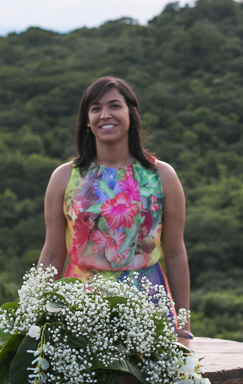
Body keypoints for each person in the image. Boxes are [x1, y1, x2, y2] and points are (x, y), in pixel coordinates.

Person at [39, 76, 192, 338]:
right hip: (78, 306)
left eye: (114, 106)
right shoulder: (65, 177)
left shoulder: (162, 176)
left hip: (147, 306)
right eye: (95, 108)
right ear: (87, 121)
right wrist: (35, 316)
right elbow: (53, 254)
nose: (105, 115)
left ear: (131, 113)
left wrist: (184, 321)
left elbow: (175, 252)